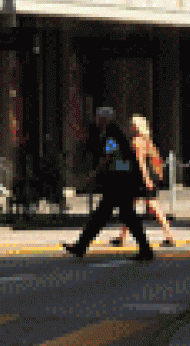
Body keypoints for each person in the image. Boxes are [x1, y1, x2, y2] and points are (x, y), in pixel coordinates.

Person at [63, 107, 154, 261]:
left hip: (119, 179)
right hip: (122, 177)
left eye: (98, 118)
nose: (96, 121)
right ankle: (81, 246)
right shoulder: (115, 132)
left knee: (112, 215)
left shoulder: (111, 134)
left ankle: (145, 249)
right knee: (111, 215)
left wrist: (94, 174)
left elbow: (108, 157)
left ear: (104, 119)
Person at [109, 116, 177, 249]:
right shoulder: (148, 141)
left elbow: (140, 162)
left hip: (141, 177)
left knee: (151, 206)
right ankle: (122, 236)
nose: (129, 127)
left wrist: (146, 179)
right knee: (132, 206)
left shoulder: (137, 141)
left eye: (131, 125)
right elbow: (156, 160)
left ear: (136, 127)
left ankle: (169, 236)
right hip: (146, 176)